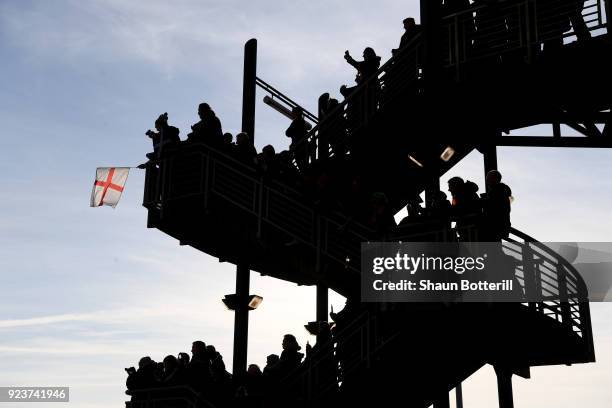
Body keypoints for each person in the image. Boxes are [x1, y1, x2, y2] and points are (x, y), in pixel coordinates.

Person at [481, 170, 512, 241]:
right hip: (500, 225)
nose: (487, 180)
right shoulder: (502, 191)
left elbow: (493, 206)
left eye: (489, 178)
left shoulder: (498, 191)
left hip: (495, 226)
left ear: (495, 178)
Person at [285, 106, 310, 171]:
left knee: (301, 163)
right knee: (303, 162)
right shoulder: (302, 122)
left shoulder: (296, 122)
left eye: (293, 112)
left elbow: (288, 133)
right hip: (301, 145)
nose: (292, 113)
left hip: (298, 145)